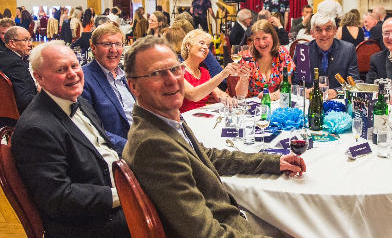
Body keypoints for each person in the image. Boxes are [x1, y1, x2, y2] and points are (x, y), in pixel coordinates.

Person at [122, 36, 305, 237]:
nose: (172, 80)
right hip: (228, 225)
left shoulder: (165, 120)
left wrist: (273, 162)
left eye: (175, 69)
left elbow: (208, 156)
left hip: (231, 217)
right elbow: (205, 233)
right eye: (157, 73)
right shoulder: (153, 145)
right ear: (134, 87)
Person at [11, 41, 130, 238]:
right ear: (38, 77)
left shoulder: (78, 101)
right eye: (61, 69)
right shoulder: (36, 129)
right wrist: (126, 194)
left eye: (74, 66)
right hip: (91, 223)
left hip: (113, 189)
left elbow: (104, 147)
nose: (73, 74)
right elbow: (59, 197)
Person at [82, 24, 134, 154]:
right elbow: (92, 129)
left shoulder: (127, 76)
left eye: (118, 44)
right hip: (119, 152)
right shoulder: (84, 79)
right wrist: (131, 148)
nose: (114, 50)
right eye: (107, 44)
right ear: (93, 48)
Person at [293, 13, 359, 95]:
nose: (324, 34)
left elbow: (354, 82)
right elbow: (295, 84)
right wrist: (305, 92)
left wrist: (336, 92)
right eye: (318, 30)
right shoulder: (303, 51)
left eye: (328, 29)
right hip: (309, 101)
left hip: (338, 100)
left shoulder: (348, 50)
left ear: (335, 30)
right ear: (312, 33)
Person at [180, 29, 243, 111]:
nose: (206, 47)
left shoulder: (204, 72)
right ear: (188, 45)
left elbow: (218, 93)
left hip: (200, 116)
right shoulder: (179, 70)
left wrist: (226, 98)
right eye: (202, 43)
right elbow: (193, 95)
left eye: (208, 45)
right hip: (184, 119)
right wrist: (222, 74)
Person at [236, 19, 295, 99]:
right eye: (257, 39)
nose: (261, 43)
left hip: (277, 105)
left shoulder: (282, 53)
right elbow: (240, 95)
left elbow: (287, 86)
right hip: (253, 107)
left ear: (273, 37)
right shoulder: (246, 57)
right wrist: (243, 78)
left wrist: (271, 96)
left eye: (264, 38)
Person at [0, 27, 36, 113]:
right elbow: (25, 100)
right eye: (26, 40)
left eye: (30, 39)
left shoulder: (4, 56)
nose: (30, 44)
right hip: (21, 116)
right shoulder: (15, 64)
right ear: (12, 43)